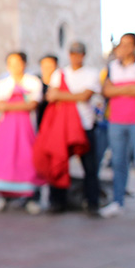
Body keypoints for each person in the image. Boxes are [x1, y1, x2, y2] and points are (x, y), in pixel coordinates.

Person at [0, 53, 44, 214]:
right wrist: (20, 104)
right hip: (7, 129)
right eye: (11, 63)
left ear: (24, 64)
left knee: (28, 160)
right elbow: (0, 106)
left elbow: (31, 105)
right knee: (5, 160)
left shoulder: (32, 82)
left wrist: (11, 105)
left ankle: (31, 198)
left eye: (18, 63)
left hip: (27, 129)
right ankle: (2, 197)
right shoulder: (4, 83)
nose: (15, 66)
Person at [100, 33, 135, 221]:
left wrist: (118, 89)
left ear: (134, 46)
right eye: (121, 45)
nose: (123, 48)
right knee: (118, 162)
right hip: (117, 120)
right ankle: (117, 202)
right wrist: (131, 88)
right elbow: (106, 90)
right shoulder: (112, 67)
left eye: (127, 44)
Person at [46, 42, 101, 213]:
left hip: (84, 125)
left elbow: (85, 96)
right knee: (59, 162)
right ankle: (57, 202)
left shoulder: (92, 74)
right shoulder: (60, 73)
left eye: (78, 53)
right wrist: (74, 96)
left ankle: (92, 203)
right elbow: (50, 96)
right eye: (72, 53)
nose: (75, 57)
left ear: (83, 55)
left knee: (90, 167)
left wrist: (62, 96)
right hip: (63, 127)